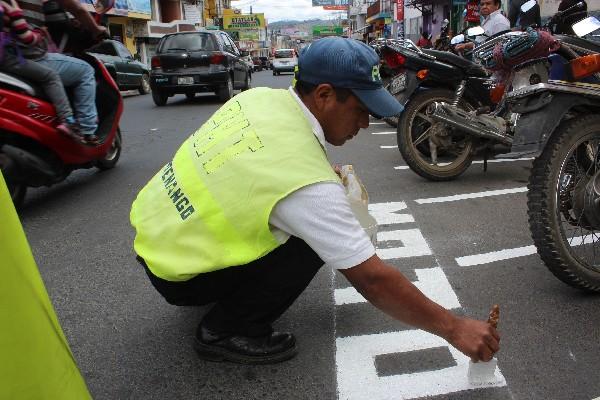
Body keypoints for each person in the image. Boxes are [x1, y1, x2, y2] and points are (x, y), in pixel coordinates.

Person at [130, 37, 500, 365]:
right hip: (182, 274)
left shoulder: (258, 99)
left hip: (158, 242)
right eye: (361, 109)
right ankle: (225, 330)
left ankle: (226, 288)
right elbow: (371, 279)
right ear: (324, 95)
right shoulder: (306, 182)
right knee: (314, 240)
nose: (365, 124)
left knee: (304, 221)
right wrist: (454, 328)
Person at [15, 0, 107, 144]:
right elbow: (78, 9)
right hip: (27, 55)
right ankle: (85, 128)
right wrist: (96, 29)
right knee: (86, 71)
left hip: (14, 55)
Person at [0, 0, 79, 137]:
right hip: (8, 58)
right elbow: (27, 38)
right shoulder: (9, 6)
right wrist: (39, 35)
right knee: (51, 76)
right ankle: (68, 120)